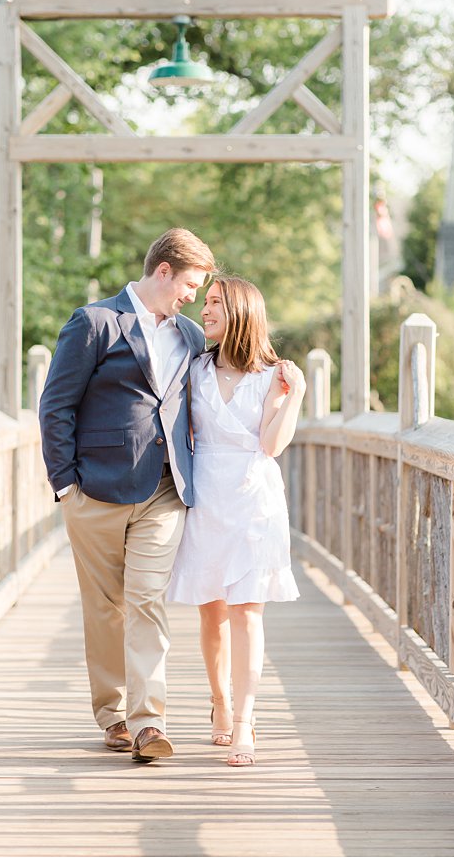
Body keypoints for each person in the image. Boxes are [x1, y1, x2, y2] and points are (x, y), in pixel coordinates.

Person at [39, 228, 216, 763]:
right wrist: (66, 484)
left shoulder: (189, 335)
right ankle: (112, 715)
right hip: (95, 489)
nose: (192, 297)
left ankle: (148, 723)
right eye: (189, 284)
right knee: (106, 607)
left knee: (146, 601)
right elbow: (56, 406)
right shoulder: (94, 322)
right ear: (162, 271)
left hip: (164, 488)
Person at [166, 276, 305, 767]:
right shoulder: (195, 367)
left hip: (253, 499)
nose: (205, 311)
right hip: (206, 496)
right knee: (212, 610)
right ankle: (219, 701)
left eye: (216, 304)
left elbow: (271, 445)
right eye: (204, 303)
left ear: (241, 311)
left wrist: (296, 395)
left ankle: (245, 720)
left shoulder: (272, 375)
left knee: (248, 610)